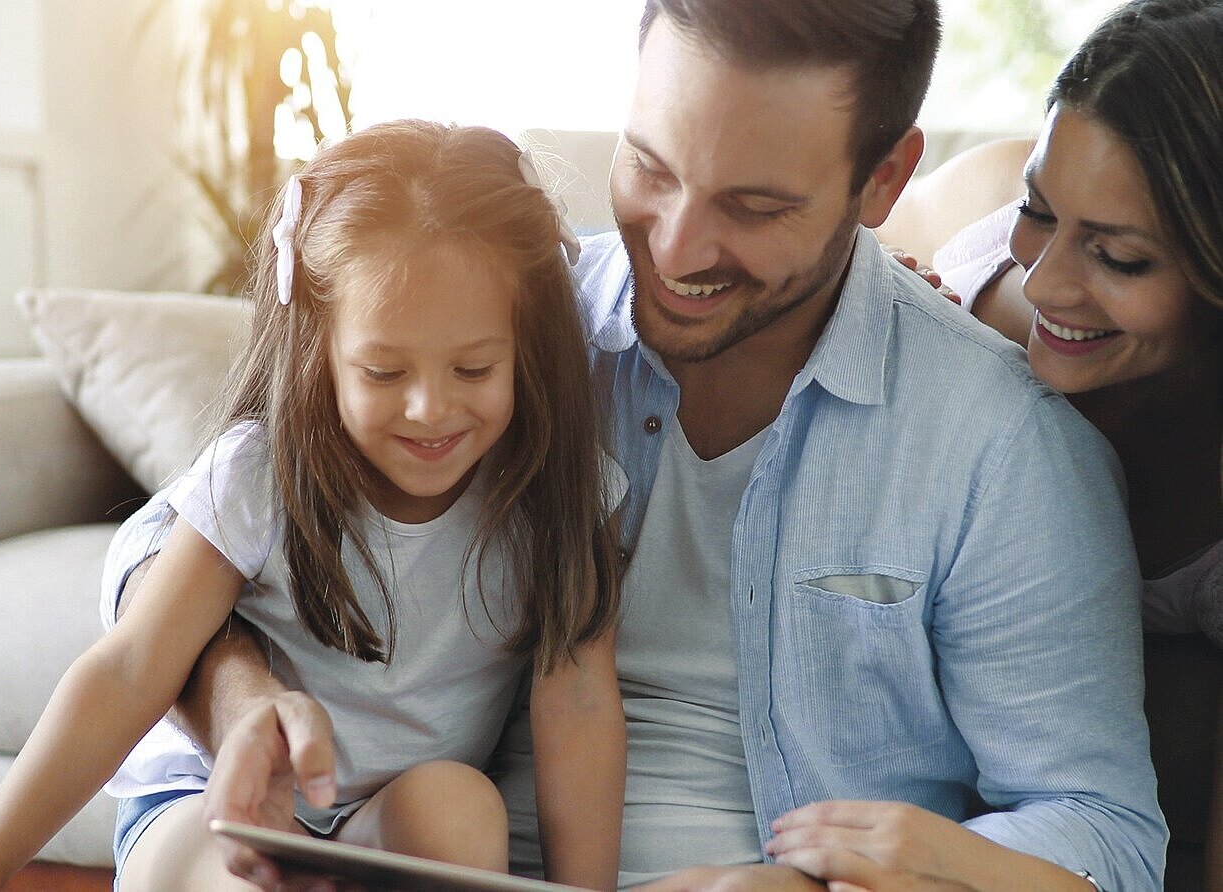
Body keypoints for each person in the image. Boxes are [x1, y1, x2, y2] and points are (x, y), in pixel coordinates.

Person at [96, 1, 1168, 890]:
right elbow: (167, 540)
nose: (675, 245)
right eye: (650, 167)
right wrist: (243, 697)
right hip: (402, 847)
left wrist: (838, 880)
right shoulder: (502, 328)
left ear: (883, 182)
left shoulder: (996, 443)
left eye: (752, 205)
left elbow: (1103, 829)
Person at [0, 121, 626, 892]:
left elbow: (577, 703)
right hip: (213, 812)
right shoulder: (260, 473)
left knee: (463, 809)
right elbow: (132, 665)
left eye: (473, 368)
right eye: (381, 371)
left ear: (525, 345)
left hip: (380, 819)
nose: (429, 408)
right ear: (322, 350)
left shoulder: (563, 495)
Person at [890, 0, 1223, 886]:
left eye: (1120, 258)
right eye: (1042, 210)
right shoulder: (989, 287)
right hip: (951, 223)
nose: (1047, 284)